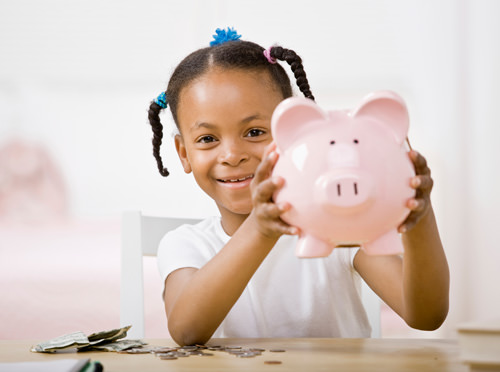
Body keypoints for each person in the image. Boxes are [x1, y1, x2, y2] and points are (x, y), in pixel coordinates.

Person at [148, 27, 449, 346]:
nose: (232, 156)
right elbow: (186, 330)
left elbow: (426, 316)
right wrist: (261, 229)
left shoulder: (338, 228)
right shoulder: (185, 244)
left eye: (254, 132)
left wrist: (420, 216)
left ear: (295, 134)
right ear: (184, 153)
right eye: (208, 139)